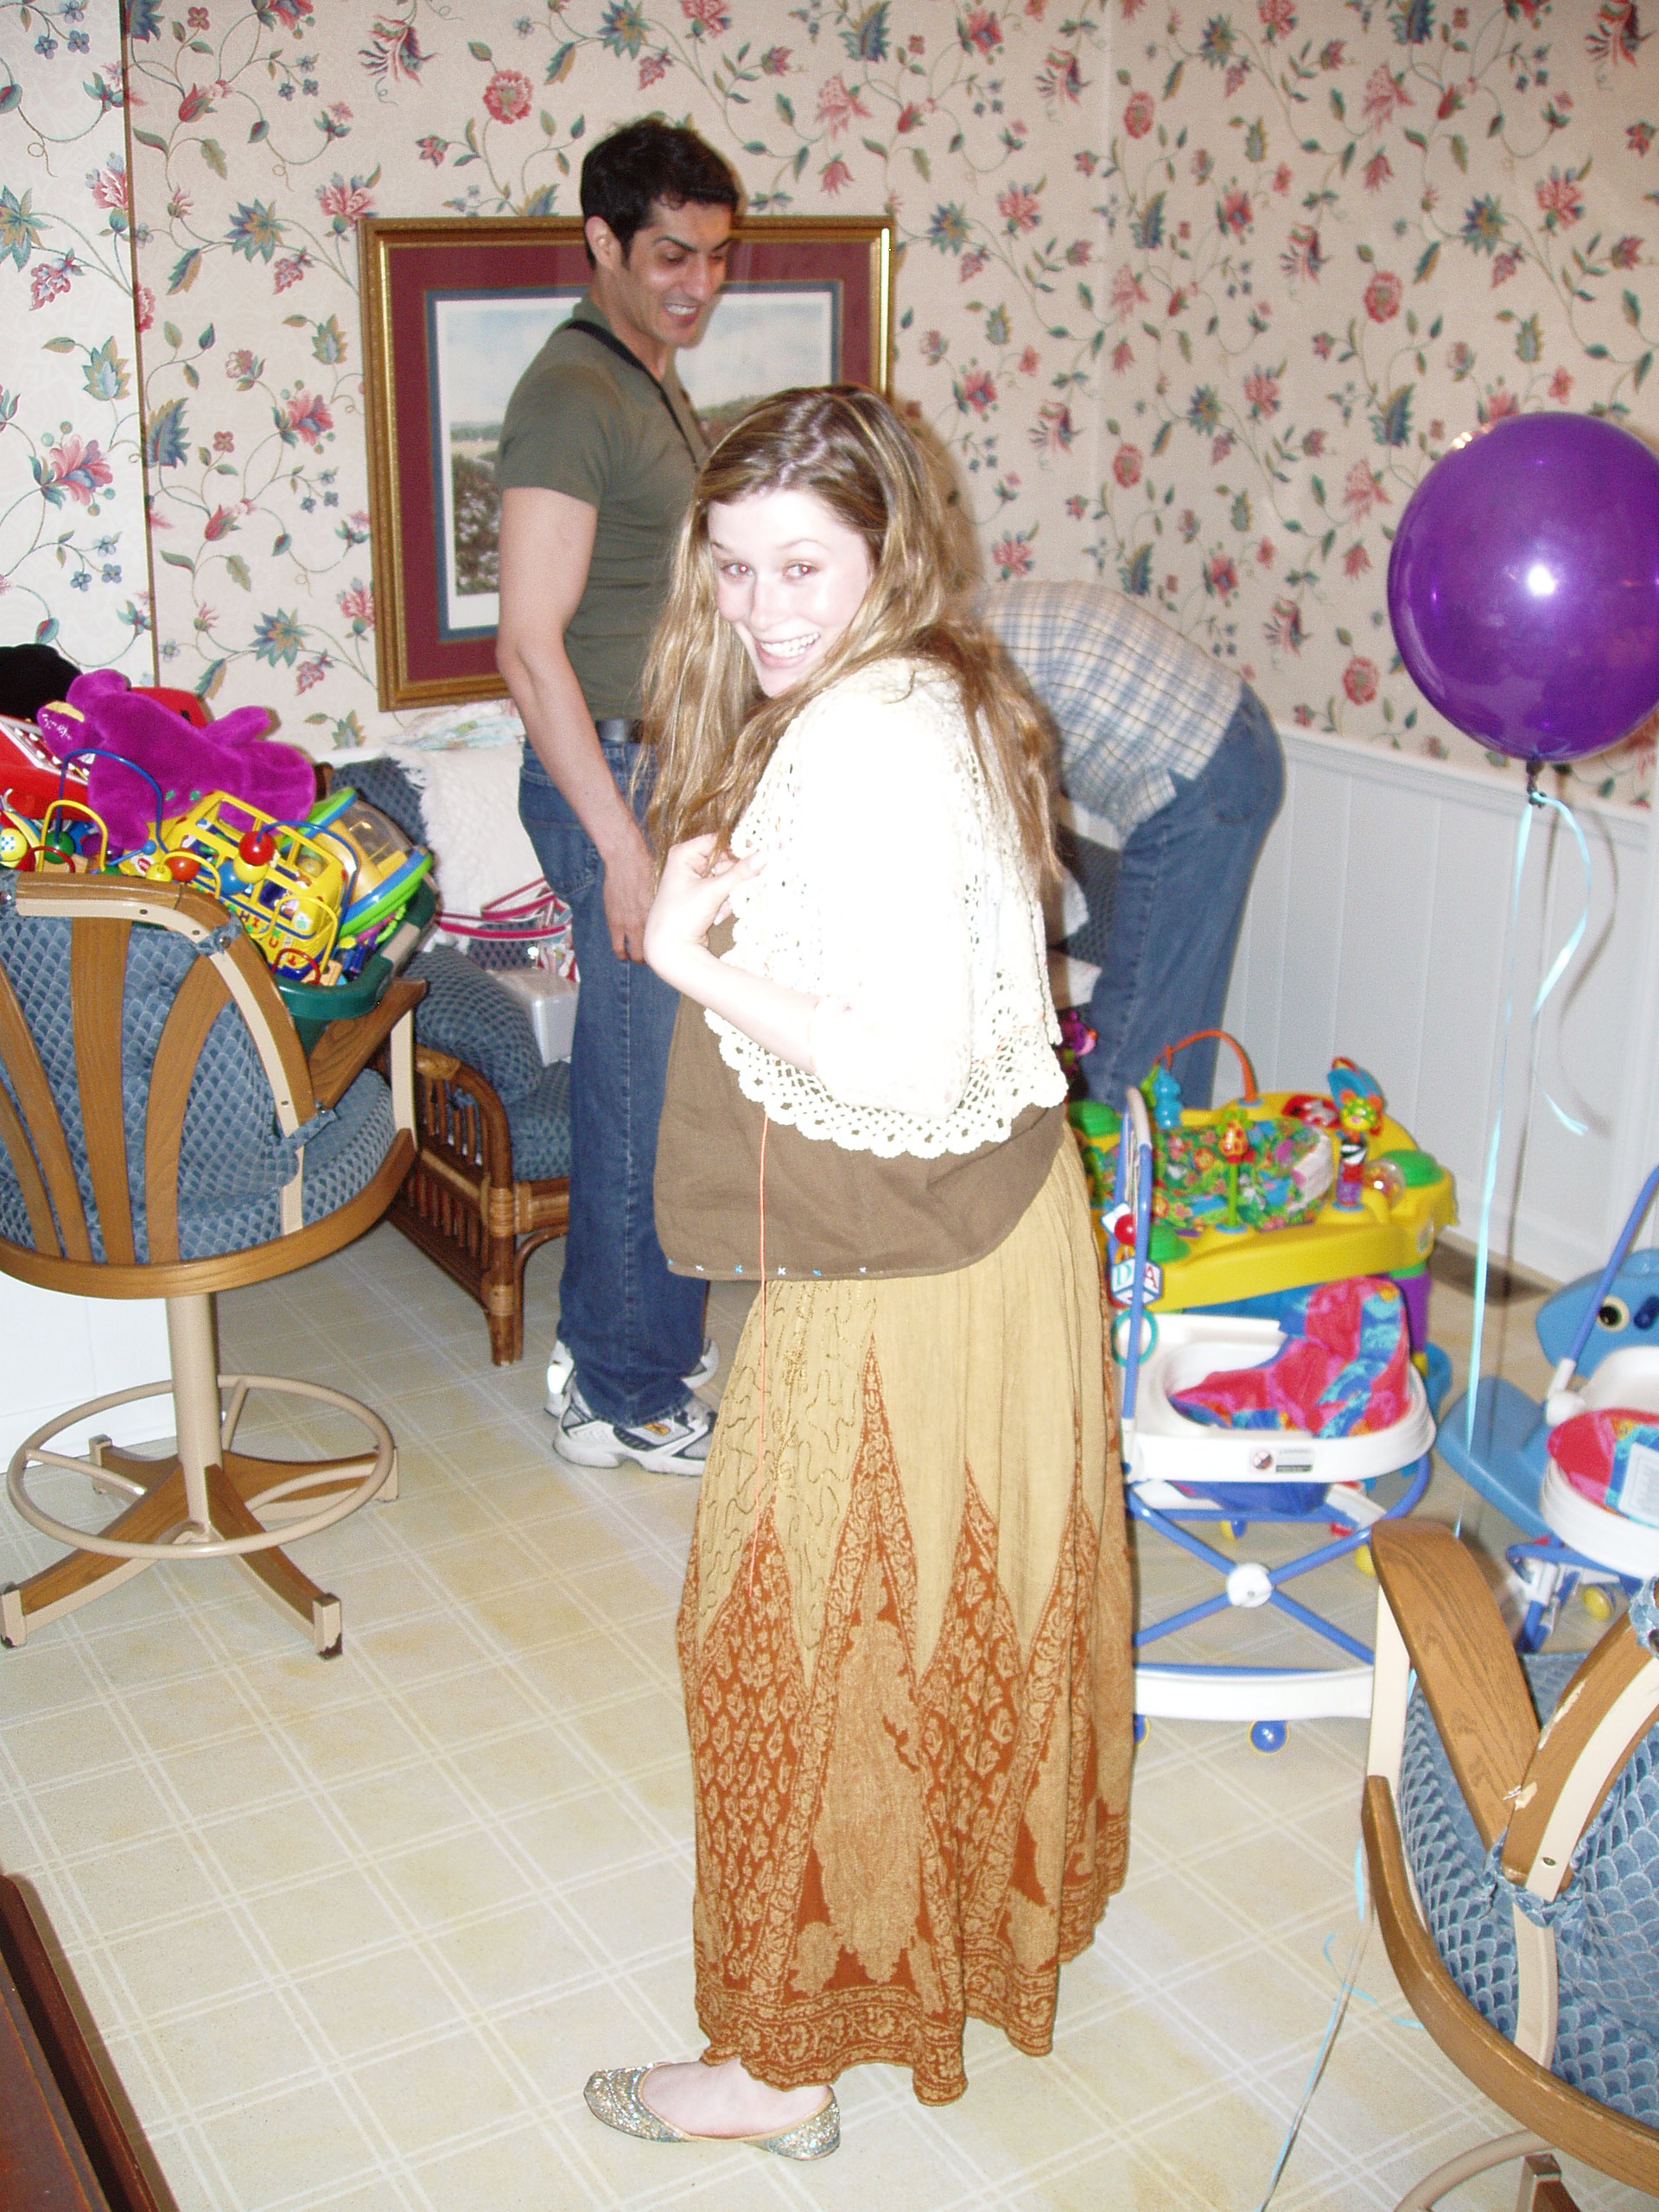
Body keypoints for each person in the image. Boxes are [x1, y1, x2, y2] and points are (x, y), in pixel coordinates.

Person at [581, 390, 1134, 2156]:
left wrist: (688, 950)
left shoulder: (865, 737)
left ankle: (778, 2066)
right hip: (998, 1224)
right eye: (732, 566)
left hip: (911, 1257)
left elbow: (893, 1062)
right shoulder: (936, 688)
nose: (761, 606)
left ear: (888, 550)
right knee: (940, 1612)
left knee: (785, 1632)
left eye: (802, 565)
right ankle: (910, 1957)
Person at [496, 119, 741, 1475]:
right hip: (614, 775)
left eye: (715, 256)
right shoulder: (574, 394)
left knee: (667, 1076)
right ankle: (621, 1391)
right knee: (644, 1086)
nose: (699, 283)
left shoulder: (647, 381)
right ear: (601, 242)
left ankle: (622, 1345)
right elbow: (528, 646)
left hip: (661, 766)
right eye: (671, 256)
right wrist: (623, 848)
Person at [979, 579, 1285, 1111]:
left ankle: (1128, 1159)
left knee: (1136, 1036)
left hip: (1202, 775)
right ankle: (1167, 1147)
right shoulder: (956, 629)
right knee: (1174, 1027)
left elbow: (1005, 847)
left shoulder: (947, 682)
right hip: (1231, 737)